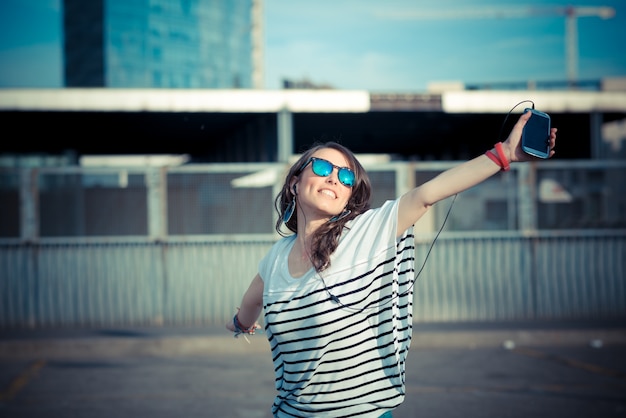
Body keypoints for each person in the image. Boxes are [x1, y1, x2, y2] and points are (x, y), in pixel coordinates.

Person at [226, 110, 558, 417]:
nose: (334, 179)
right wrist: (241, 324)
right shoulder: (275, 258)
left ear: (349, 196)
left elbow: (428, 194)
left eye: (346, 177)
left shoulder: (366, 231)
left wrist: (503, 155)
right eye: (323, 168)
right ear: (296, 182)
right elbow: (252, 300)